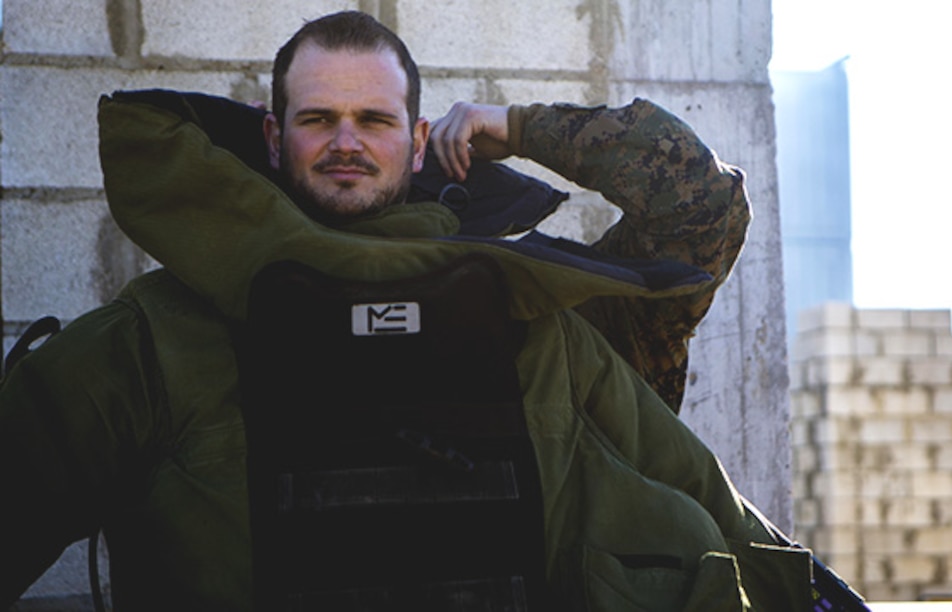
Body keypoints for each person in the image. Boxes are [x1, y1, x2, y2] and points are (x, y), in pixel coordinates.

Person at [0, 10, 811, 611]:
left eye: (374, 120)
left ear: (417, 142)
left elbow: (701, 205)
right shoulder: (161, 338)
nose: (345, 141)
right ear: (274, 141)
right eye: (317, 119)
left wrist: (522, 127)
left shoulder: (538, 320)